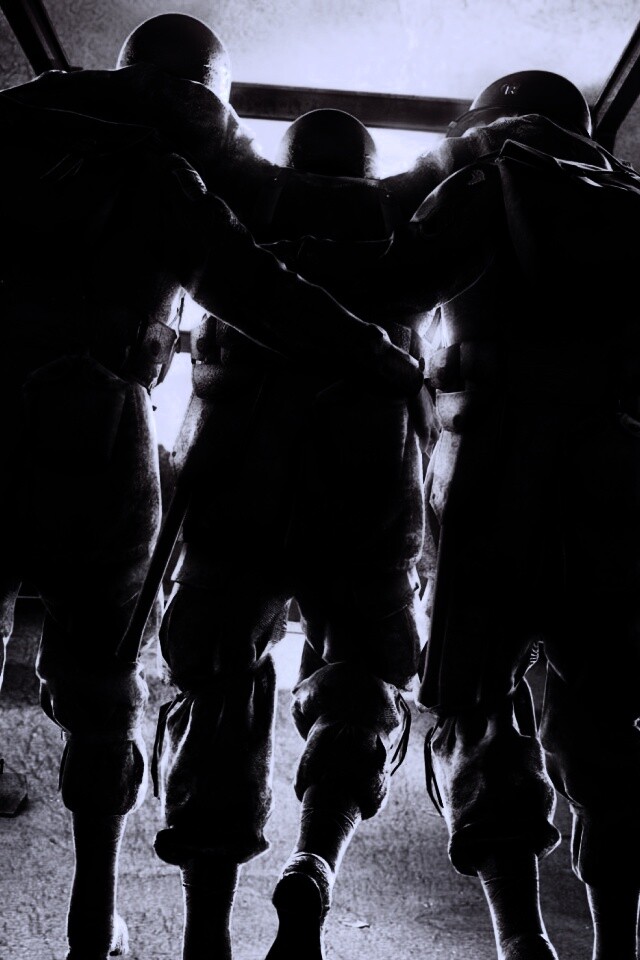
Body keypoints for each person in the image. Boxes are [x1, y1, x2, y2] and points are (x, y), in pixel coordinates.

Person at [0, 30, 424, 960]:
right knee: (104, 684)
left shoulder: (10, 127)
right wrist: (381, 355)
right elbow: (255, 287)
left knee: (211, 663)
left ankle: (168, 916)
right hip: (98, 417)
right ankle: (93, 915)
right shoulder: (168, 168)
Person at [291, 70, 640, 960]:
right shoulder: (631, 204)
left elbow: (382, 288)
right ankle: (619, 945)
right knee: (608, 719)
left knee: (477, 709)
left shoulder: (478, 181)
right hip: (615, 489)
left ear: (486, 121)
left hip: (489, 483)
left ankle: (522, 940)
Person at [151, 106, 435, 960]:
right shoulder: (403, 229)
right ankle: (314, 862)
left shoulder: (235, 210)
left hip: (239, 463)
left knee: (216, 676)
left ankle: (206, 931)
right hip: (366, 466)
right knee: (366, 672)